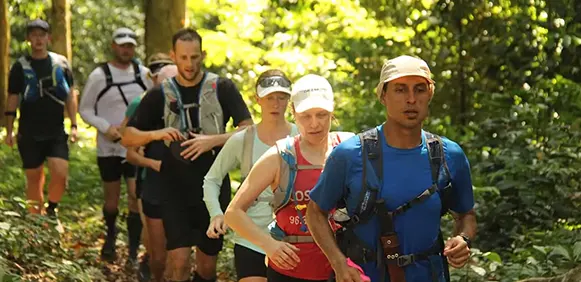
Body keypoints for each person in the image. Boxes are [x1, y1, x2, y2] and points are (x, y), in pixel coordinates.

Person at [306, 55, 477, 282]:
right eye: (400, 90)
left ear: (430, 95)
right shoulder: (350, 155)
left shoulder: (449, 155)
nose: (411, 99)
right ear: (383, 96)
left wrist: (463, 239)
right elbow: (314, 212)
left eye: (419, 90)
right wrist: (339, 264)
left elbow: (466, 214)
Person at [122, 28, 253, 282]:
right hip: (173, 189)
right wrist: (156, 134)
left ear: (202, 55)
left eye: (194, 57)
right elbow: (127, 136)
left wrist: (211, 141)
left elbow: (249, 129)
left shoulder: (222, 87)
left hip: (213, 188)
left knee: (206, 267)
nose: (189, 64)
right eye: (183, 58)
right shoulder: (159, 94)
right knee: (179, 262)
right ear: (173, 56)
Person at [224, 74, 354, 282]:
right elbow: (233, 212)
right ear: (293, 112)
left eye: (321, 114)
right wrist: (269, 245)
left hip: (341, 269)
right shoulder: (280, 156)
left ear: (332, 112)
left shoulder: (349, 147)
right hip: (290, 272)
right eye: (305, 116)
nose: (314, 124)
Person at [203, 69, 299, 282]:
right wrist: (216, 213)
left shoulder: (301, 137)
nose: (275, 104)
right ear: (258, 100)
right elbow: (212, 178)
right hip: (250, 237)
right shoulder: (242, 140)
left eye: (281, 97)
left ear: (289, 100)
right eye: (269, 97)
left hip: (293, 239)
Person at [79, 27, 154, 264]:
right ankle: (110, 237)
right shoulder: (99, 75)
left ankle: (133, 250)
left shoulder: (144, 75)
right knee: (111, 200)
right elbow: (85, 109)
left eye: (130, 45)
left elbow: (154, 104)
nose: (126, 49)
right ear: (113, 46)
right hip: (108, 147)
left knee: (135, 196)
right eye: (122, 45)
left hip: (135, 148)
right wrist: (105, 127)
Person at [3, 19, 77, 221]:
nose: (38, 39)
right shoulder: (20, 67)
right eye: (34, 35)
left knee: (60, 172)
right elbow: (12, 97)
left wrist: (75, 124)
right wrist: (9, 131)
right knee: (34, 179)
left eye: (42, 35)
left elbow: (70, 95)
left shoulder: (61, 63)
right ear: (28, 39)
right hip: (29, 132)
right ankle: (36, 225)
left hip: (55, 131)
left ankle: (52, 209)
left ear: (48, 38)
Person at [123, 60, 178, 282]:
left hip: (181, 188)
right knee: (157, 248)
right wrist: (153, 164)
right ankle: (151, 267)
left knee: (178, 250)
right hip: (149, 184)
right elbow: (128, 145)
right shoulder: (142, 103)